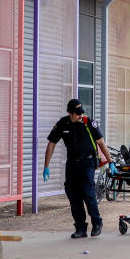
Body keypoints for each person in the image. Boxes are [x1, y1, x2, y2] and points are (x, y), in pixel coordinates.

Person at [44, 98, 115, 238]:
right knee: (73, 195)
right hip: (72, 164)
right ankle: (81, 228)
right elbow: (51, 144)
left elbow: (101, 142)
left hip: (87, 163)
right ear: (69, 113)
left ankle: (97, 222)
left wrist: (111, 162)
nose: (80, 115)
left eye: (80, 112)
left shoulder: (89, 123)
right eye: (76, 113)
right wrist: (46, 166)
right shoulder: (62, 124)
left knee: (88, 193)